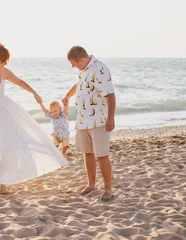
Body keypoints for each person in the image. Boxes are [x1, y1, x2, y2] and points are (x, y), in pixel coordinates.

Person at [0, 42, 67, 194]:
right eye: (2, 61)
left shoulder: (4, 72)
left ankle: (2, 182)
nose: (5, 64)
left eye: (6, 61)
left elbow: (19, 82)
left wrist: (34, 93)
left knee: (7, 143)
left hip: (3, 108)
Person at [62, 46, 116, 201]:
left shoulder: (100, 69)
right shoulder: (83, 69)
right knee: (88, 153)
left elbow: (110, 95)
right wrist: (68, 95)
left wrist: (110, 118)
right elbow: (78, 85)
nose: (72, 66)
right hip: (83, 119)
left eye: (73, 63)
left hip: (99, 120)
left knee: (102, 155)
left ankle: (107, 189)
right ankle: (91, 184)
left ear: (81, 59)